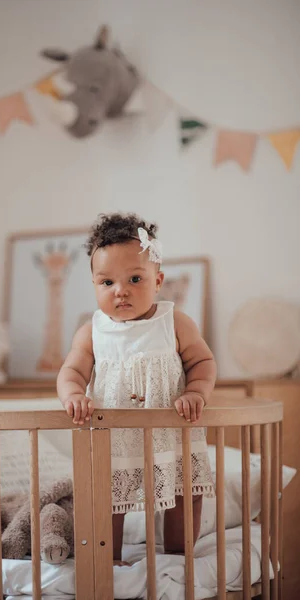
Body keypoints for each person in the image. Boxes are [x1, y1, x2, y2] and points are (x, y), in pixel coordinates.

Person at [57, 212, 217, 565]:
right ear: (94, 285)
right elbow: (71, 371)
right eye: (107, 282)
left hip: (172, 434)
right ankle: (108, 561)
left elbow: (203, 363)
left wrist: (196, 393)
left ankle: (179, 558)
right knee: (109, 499)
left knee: (183, 493)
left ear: (157, 281)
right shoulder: (92, 331)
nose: (121, 290)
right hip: (115, 437)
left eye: (134, 278)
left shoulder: (173, 322)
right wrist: (74, 395)